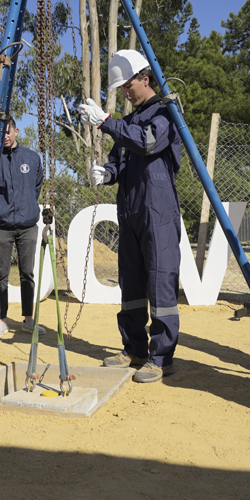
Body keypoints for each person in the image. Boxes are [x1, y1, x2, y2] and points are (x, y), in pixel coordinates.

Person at [78, 50, 182, 383]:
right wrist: (107, 174)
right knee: (132, 281)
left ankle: (161, 357)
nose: (125, 92)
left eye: (127, 85)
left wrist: (107, 122)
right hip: (131, 208)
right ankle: (135, 347)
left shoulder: (166, 112)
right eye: (121, 87)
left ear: (145, 79)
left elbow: (148, 143)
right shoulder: (131, 119)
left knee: (159, 281)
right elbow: (120, 161)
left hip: (158, 209)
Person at [0, 118, 44, 338]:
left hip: (27, 226)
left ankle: (28, 319)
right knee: (2, 274)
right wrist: (0, 209)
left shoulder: (32, 158)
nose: (5, 136)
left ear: (16, 131)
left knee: (27, 273)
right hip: (2, 226)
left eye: (8, 132)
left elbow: (36, 186)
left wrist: (25, 207)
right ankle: (1, 321)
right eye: (1, 133)